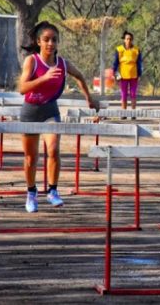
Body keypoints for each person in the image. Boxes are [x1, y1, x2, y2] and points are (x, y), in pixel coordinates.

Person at [18, 21, 98, 213]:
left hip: (50, 112)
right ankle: (31, 193)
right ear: (38, 42)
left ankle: (53, 191)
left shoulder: (63, 64)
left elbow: (79, 76)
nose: (50, 43)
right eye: (46, 40)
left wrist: (89, 98)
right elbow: (22, 88)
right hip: (30, 112)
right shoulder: (32, 61)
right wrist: (44, 78)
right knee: (31, 158)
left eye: (54, 40)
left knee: (53, 150)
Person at [112, 31, 142, 114]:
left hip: (134, 75)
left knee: (133, 94)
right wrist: (114, 73)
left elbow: (139, 63)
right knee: (124, 94)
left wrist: (139, 74)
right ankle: (123, 113)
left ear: (132, 40)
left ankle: (133, 113)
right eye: (127, 39)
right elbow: (115, 62)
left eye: (130, 39)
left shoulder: (136, 50)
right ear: (124, 40)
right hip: (123, 75)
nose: (129, 40)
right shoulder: (119, 49)